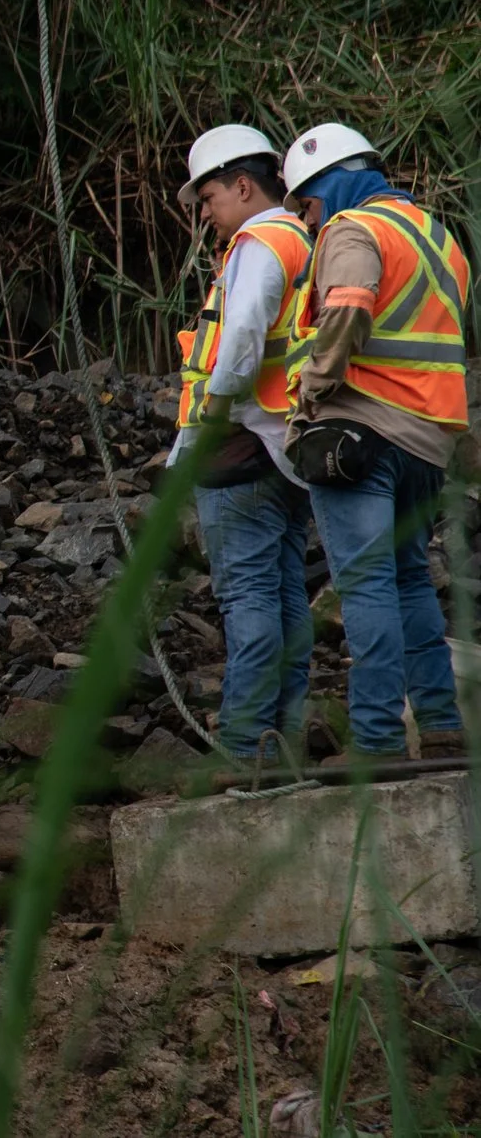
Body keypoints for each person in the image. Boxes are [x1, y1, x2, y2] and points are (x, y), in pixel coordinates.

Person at [281, 123, 471, 764]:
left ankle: (379, 739)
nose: (310, 221)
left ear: (330, 184)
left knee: (366, 585)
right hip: (427, 440)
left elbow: (350, 303)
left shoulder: (354, 228)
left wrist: (313, 387)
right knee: (411, 581)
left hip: (360, 433)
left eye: (308, 206)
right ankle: (441, 726)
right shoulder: (438, 237)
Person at [168, 127, 318, 767]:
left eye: (208, 198)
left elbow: (242, 339)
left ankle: (243, 748)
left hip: (242, 448)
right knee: (285, 599)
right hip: (287, 448)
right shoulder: (303, 239)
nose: (205, 213)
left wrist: (209, 423)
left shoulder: (259, 243)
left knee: (249, 598)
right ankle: (285, 740)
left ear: (242, 185)